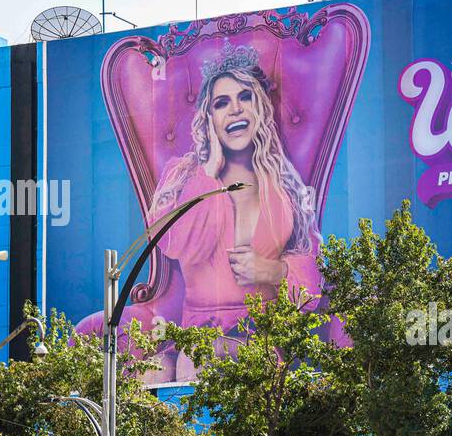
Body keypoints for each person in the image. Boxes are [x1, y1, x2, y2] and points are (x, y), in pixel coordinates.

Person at [132, 42, 331, 382]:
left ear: (259, 108)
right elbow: (173, 243)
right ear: (208, 118)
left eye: (244, 98)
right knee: (150, 373)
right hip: (194, 333)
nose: (235, 110)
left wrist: (275, 270)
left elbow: (314, 277)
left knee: (196, 360)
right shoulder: (185, 174)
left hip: (260, 335)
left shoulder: (284, 184)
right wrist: (208, 170)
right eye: (221, 103)